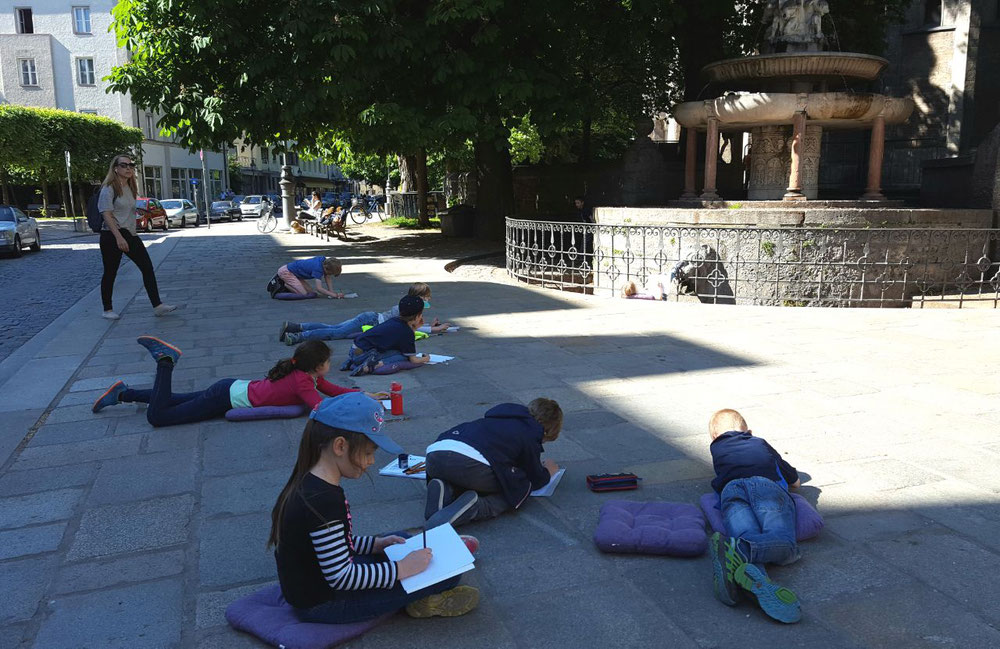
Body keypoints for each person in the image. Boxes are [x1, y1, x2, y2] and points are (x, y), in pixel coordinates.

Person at [269, 393, 481, 623]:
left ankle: (427, 568)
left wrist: (375, 544)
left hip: (315, 583)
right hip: (324, 603)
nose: (371, 461)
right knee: (447, 576)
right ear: (340, 445)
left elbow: (333, 541)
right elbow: (341, 577)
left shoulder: (311, 482)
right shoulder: (323, 500)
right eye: (369, 453)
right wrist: (402, 569)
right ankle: (425, 597)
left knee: (399, 540)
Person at [91, 338, 374, 428]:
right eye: (328, 361)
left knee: (174, 400)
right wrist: (353, 415)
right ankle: (165, 361)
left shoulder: (307, 375)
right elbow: (319, 408)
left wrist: (363, 395)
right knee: (159, 417)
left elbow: (333, 390)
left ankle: (124, 394)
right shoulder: (303, 382)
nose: (329, 365)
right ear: (317, 365)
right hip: (224, 397)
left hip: (229, 388)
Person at [708, 408, 802, 624]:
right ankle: (740, 549)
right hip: (765, 486)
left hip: (731, 489)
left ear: (714, 437)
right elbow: (794, 481)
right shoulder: (759, 442)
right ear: (749, 432)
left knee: (747, 534)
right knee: (786, 544)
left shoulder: (716, 448)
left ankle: (750, 582)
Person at [423, 398, 563, 526]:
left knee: (470, 473)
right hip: (469, 465)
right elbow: (534, 477)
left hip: (435, 456)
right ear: (546, 431)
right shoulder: (531, 433)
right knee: (517, 487)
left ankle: (445, 488)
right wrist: (548, 472)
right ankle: (476, 506)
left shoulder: (499, 417)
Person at [97, 154, 177, 320]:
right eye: (124, 165)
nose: (128, 168)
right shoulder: (109, 188)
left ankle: (158, 306)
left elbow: (125, 210)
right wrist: (119, 238)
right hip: (112, 235)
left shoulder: (130, 187)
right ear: (115, 168)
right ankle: (107, 309)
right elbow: (106, 214)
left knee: (147, 267)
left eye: (131, 165)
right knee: (110, 272)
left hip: (130, 234)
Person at [280, 282, 452, 345]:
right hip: (370, 321)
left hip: (370, 318)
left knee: (334, 327)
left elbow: (413, 326)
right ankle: (298, 337)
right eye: (427, 297)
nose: (429, 299)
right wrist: (437, 329)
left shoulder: (408, 305)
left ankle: (296, 327)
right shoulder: (409, 308)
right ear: (420, 297)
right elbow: (411, 328)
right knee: (336, 333)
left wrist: (430, 325)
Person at [340, 296, 430, 376]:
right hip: (366, 354)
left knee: (393, 351)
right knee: (401, 356)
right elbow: (413, 359)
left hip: (354, 351)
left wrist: (414, 328)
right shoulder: (406, 332)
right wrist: (426, 358)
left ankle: (353, 362)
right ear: (417, 316)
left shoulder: (394, 320)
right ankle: (372, 366)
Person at [277, 256, 344, 299]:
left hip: (295, 274)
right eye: (330, 273)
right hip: (287, 272)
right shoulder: (318, 269)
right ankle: (287, 284)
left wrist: (331, 292)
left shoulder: (323, 261)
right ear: (326, 269)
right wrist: (334, 295)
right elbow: (319, 288)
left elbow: (327, 277)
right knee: (303, 294)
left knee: (310, 291)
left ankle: (292, 284)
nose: (329, 275)